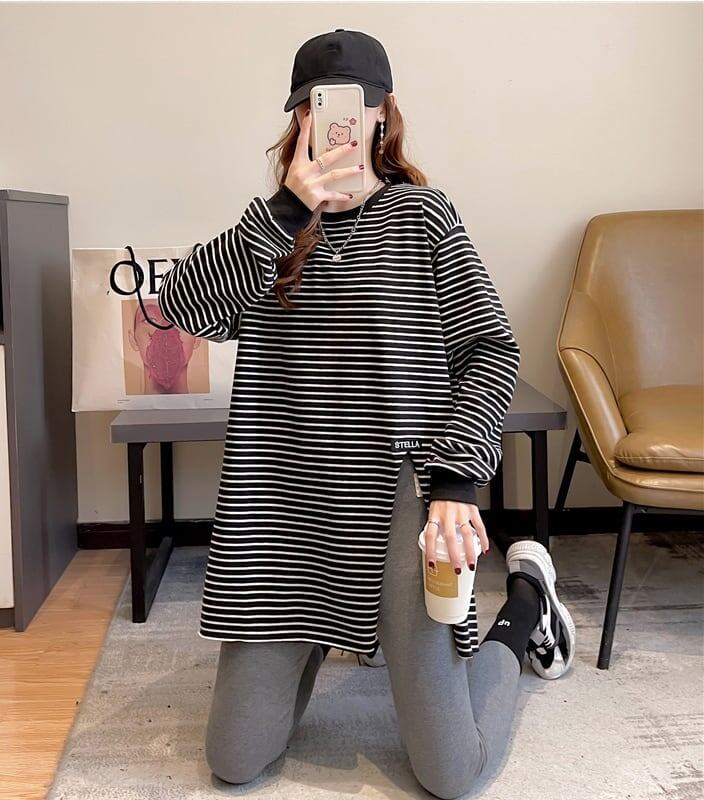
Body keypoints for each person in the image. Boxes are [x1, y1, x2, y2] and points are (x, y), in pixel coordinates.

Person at [157, 28, 576, 799]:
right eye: (315, 107)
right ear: (300, 117)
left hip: (401, 499)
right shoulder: (271, 231)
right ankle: (331, 624)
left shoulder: (422, 216)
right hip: (286, 507)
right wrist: (286, 210)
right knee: (234, 758)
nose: (336, 122)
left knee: (453, 772)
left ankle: (526, 604)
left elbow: (491, 349)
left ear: (383, 112)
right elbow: (181, 306)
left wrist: (455, 480)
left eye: (355, 105)